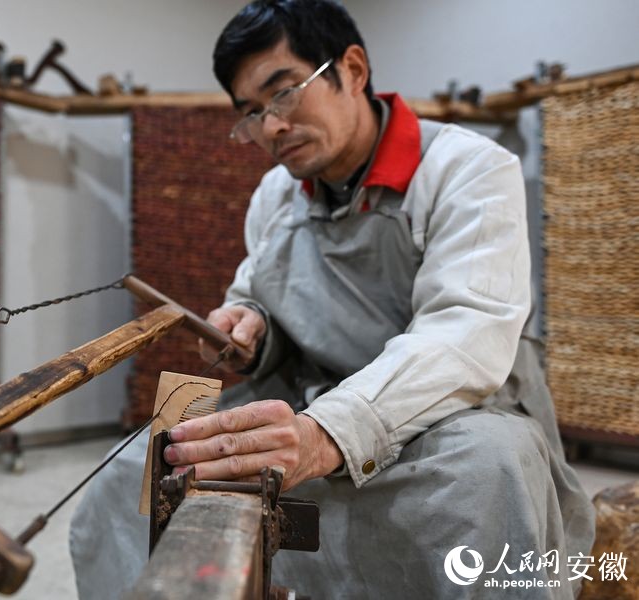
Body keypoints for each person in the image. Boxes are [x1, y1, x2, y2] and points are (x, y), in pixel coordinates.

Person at [70, 1, 595, 597]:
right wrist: (251, 329)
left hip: (455, 417)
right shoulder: (274, 195)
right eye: (250, 114)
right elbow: (256, 292)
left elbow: (466, 337)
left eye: (283, 93)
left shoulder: (469, 170)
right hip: (311, 405)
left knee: (488, 470)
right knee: (135, 472)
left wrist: (326, 436)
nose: (270, 127)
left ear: (353, 69)